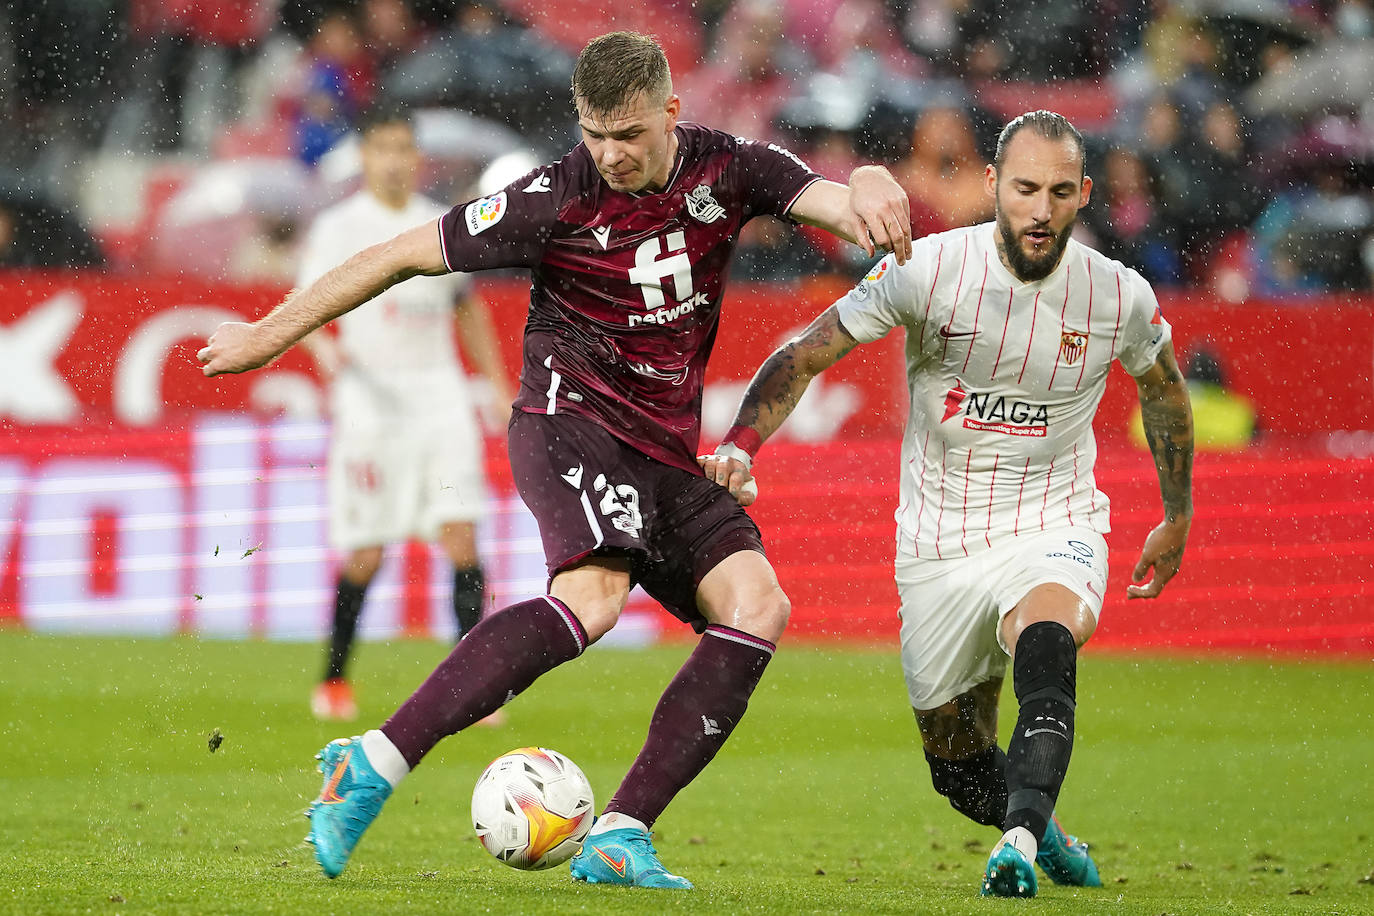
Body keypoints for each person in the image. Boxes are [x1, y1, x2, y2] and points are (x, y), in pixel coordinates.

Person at [198, 31, 911, 889]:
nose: (610, 154)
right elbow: (397, 256)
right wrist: (265, 339)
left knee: (758, 604)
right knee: (594, 596)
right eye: (595, 133)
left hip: (664, 450)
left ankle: (620, 835)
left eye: (630, 135)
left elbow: (838, 203)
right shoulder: (550, 196)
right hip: (568, 421)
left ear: (671, 113)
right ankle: (374, 762)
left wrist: (869, 179)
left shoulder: (731, 168)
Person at [700, 110, 1193, 898]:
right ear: (993, 185)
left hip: (1054, 518)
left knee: (1046, 633)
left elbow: (1164, 385)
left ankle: (1023, 840)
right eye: (1025, 188)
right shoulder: (927, 270)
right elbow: (804, 355)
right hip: (939, 542)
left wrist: (1177, 513)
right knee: (958, 770)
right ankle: (1044, 830)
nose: (1040, 209)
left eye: (1060, 192)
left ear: (1084, 196)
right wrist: (738, 446)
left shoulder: (1116, 295)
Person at [296, 105, 513, 722]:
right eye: (382, 148)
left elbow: (467, 306)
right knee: (366, 549)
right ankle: (334, 679)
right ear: (364, 157)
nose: (394, 160)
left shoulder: (441, 224)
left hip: (439, 397)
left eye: (403, 149)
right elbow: (305, 305)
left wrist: (496, 386)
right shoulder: (340, 228)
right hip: (369, 402)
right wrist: (323, 352)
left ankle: (474, 683)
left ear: (417, 159)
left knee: (461, 535)